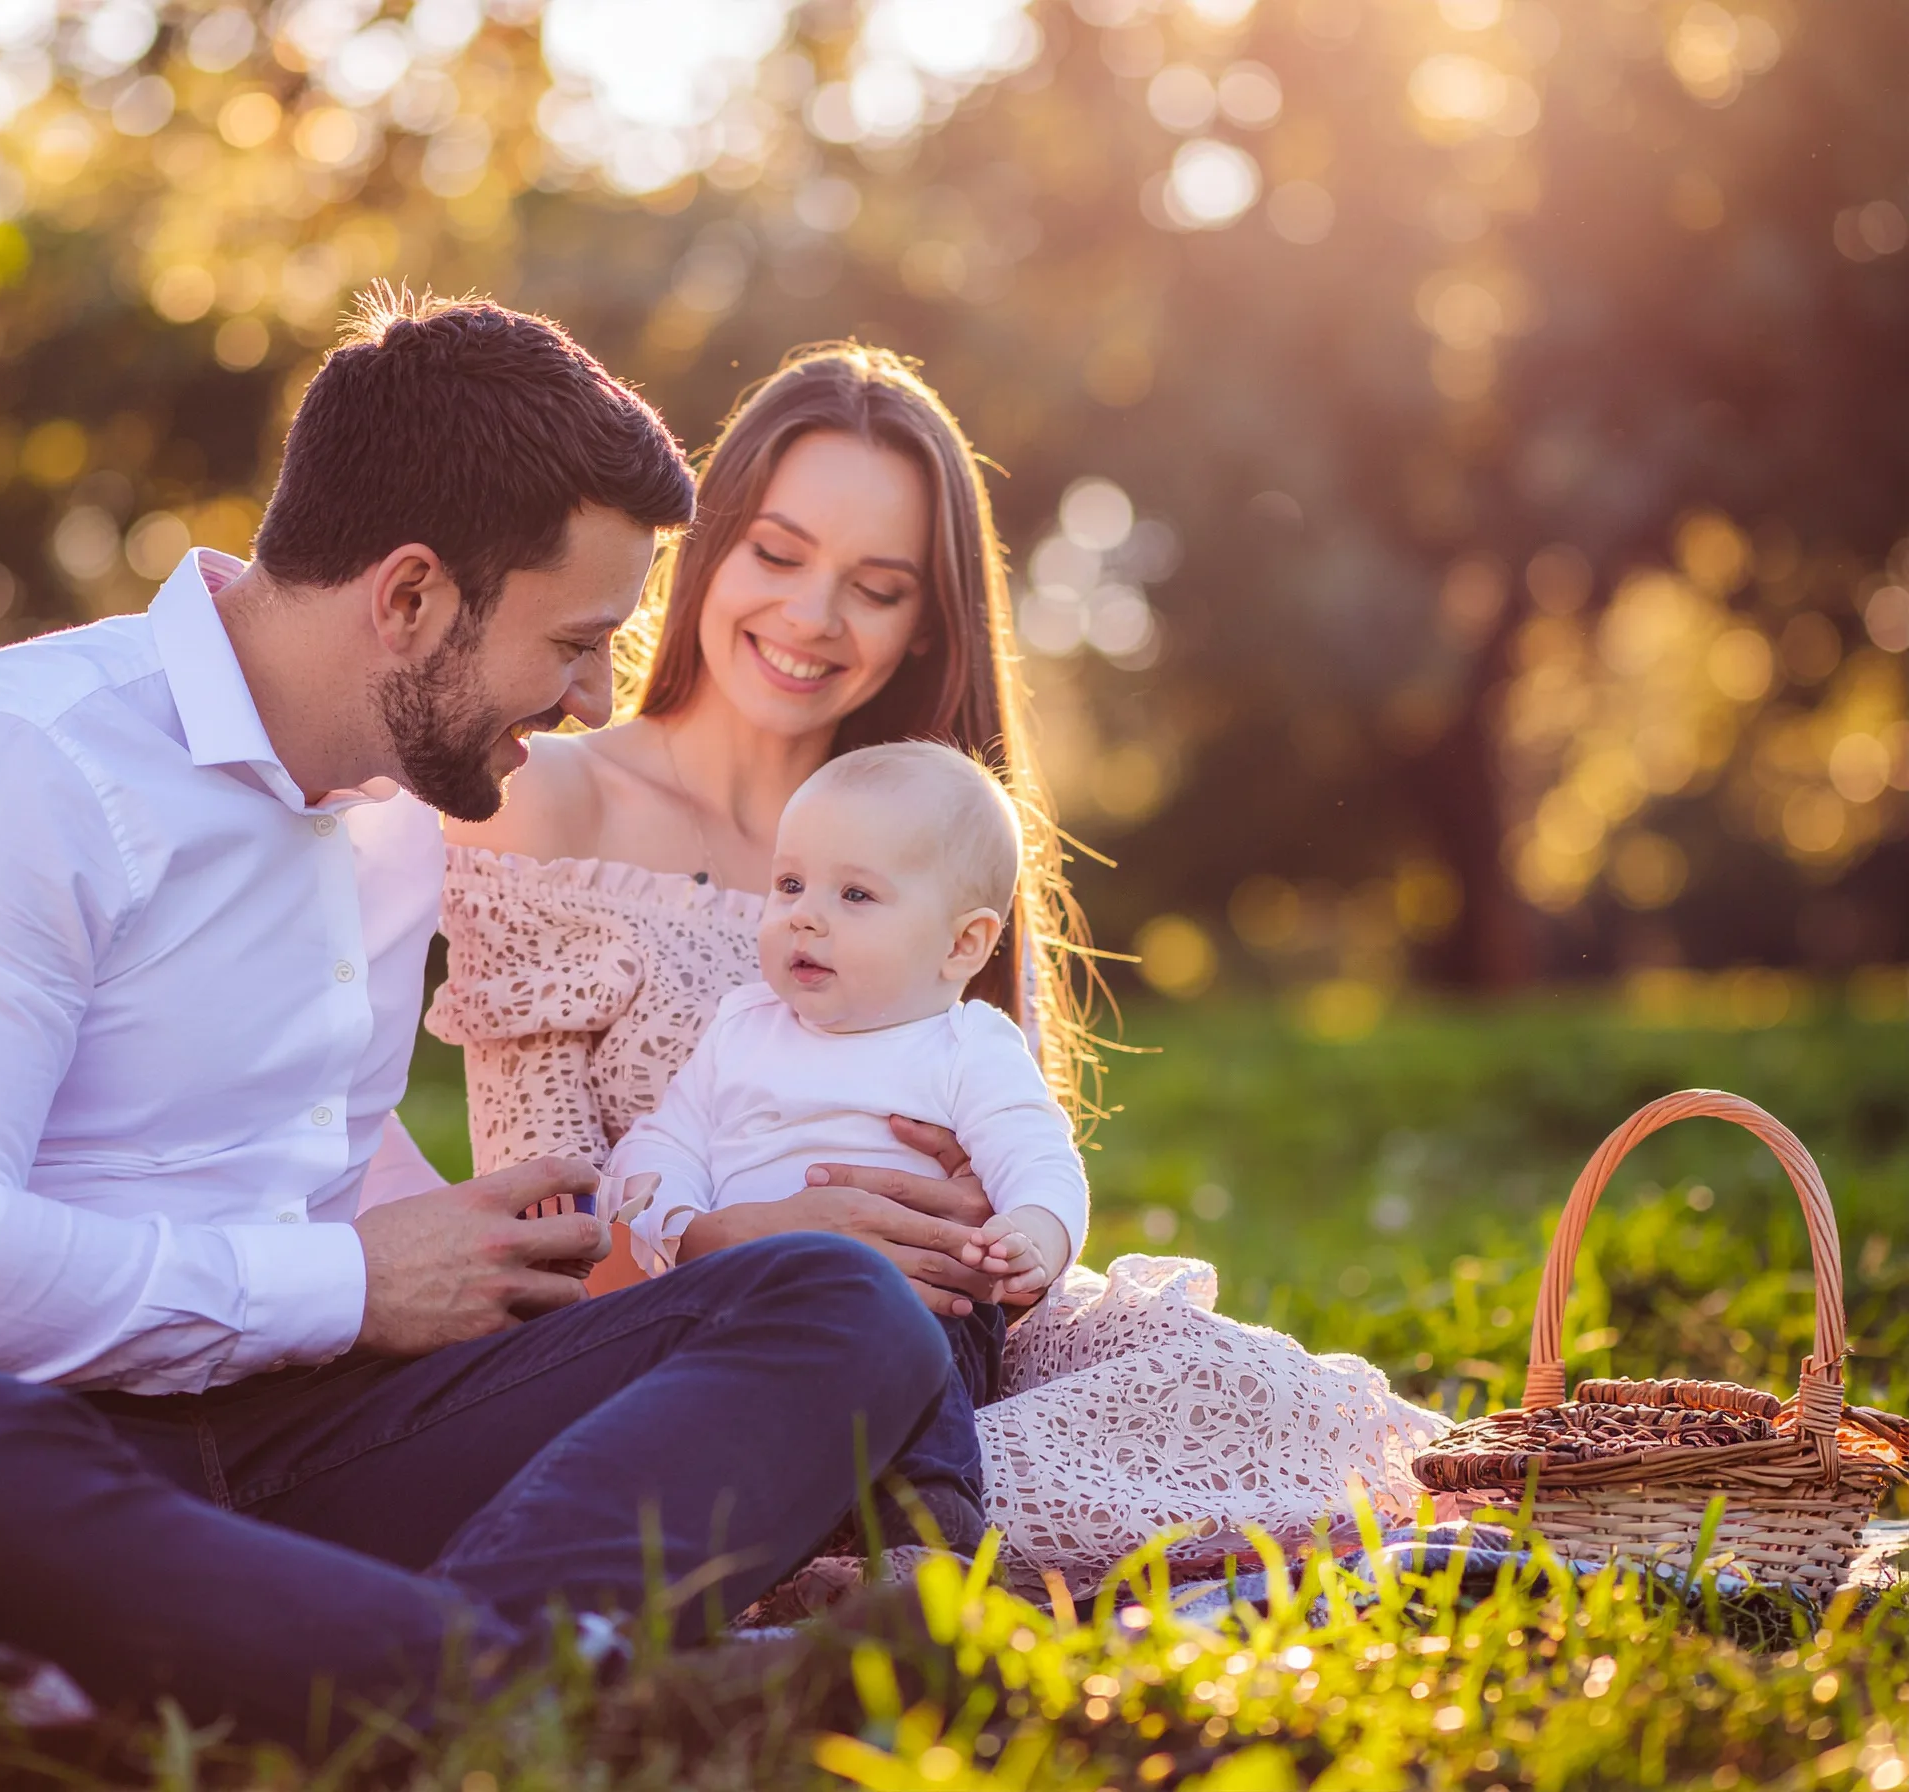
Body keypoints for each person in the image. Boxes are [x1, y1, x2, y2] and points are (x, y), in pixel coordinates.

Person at [0, 294, 958, 1746]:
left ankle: (456, 1691)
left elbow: (301, 1152)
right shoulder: (10, 769)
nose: (593, 698)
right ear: (411, 598)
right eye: (575, 641)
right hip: (11, 1459)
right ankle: (559, 1704)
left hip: (303, 1438)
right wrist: (351, 1285)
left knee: (837, 1302)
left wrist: (547, 1252)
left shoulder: (399, 814)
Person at [433, 344, 1448, 1597]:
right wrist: (724, 1240)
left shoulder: (933, 843)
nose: (814, 616)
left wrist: (992, 1233)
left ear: (924, 624)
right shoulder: (548, 802)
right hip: (666, 1350)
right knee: (831, 1445)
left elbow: (1007, 1160)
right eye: (777, 553)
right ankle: (864, 1534)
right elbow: (529, 1247)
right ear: (706, 548)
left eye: (877, 587)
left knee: (1248, 1387)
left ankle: (903, 1526)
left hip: (954, 1344)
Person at [613, 743, 1090, 1555]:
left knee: (920, 1349)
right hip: (742, 1292)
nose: (805, 915)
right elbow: (661, 1144)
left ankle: (923, 1524)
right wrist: (683, 1226)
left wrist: (1034, 1234)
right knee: (684, 1387)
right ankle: (713, 1529)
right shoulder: (741, 1031)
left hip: (913, 1296)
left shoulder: (966, 1047)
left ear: (962, 945)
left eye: (855, 894)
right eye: (790, 885)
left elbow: (1038, 1155)